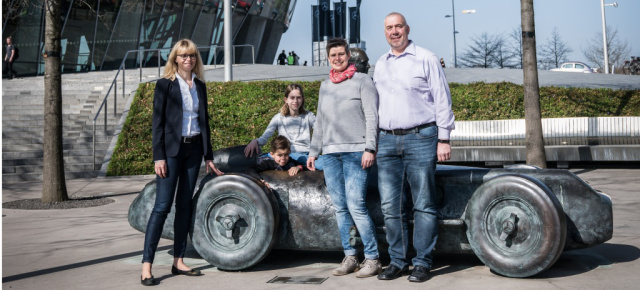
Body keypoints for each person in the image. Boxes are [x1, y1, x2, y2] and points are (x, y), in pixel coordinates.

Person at [373, 12, 455, 283]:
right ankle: (397, 261)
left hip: (422, 137)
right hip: (386, 140)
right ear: (385, 32)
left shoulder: (426, 58)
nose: (394, 31)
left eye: (398, 26)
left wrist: (444, 138)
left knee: (423, 204)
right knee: (390, 207)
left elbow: (442, 99)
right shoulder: (380, 64)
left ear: (407, 29)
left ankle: (422, 262)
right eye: (389, 28)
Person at [142, 39, 224, 286]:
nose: (188, 59)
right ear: (175, 58)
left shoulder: (199, 85)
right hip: (170, 153)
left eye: (192, 56)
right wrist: (158, 156)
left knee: (185, 206)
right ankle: (147, 265)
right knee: (162, 207)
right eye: (183, 55)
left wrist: (208, 156)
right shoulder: (164, 85)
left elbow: (204, 122)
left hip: (194, 150)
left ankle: (178, 260)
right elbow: (157, 124)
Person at [307, 37, 381, 278]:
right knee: (340, 208)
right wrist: (313, 151)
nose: (337, 58)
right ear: (328, 58)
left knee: (356, 205)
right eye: (333, 55)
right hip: (329, 154)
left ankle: (372, 258)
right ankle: (350, 256)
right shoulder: (325, 85)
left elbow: (372, 116)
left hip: (356, 152)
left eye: (341, 54)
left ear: (348, 55)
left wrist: (370, 147)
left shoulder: (363, 81)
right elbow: (320, 121)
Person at [244, 83, 323, 169]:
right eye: (292, 98)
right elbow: (265, 137)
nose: (295, 101)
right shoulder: (278, 117)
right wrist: (256, 141)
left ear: (302, 99)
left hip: (304, 155)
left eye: (298, 97)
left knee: (327, 163)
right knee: (256, 161)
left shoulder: (309, 116)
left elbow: (320, 133)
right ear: (286, 99)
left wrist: (314, 153)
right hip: (286, 154)